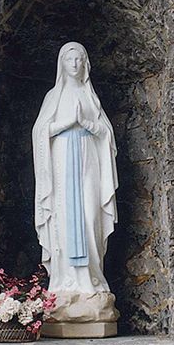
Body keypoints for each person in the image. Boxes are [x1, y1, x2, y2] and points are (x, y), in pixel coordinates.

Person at [32, 42, 118, 297]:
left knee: (90, 215)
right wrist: (66, 124)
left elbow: (106, 134)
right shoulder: (53, 96)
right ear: (61, 63)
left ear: (85, 64)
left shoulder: (90, 96)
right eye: (69, 59)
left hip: (88, 162)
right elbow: (39, 133)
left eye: (79, 59)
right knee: (63, 217)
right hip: (61, 163)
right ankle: (64, 282)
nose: (74, 64)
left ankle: (92, 279)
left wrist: (87, 124)